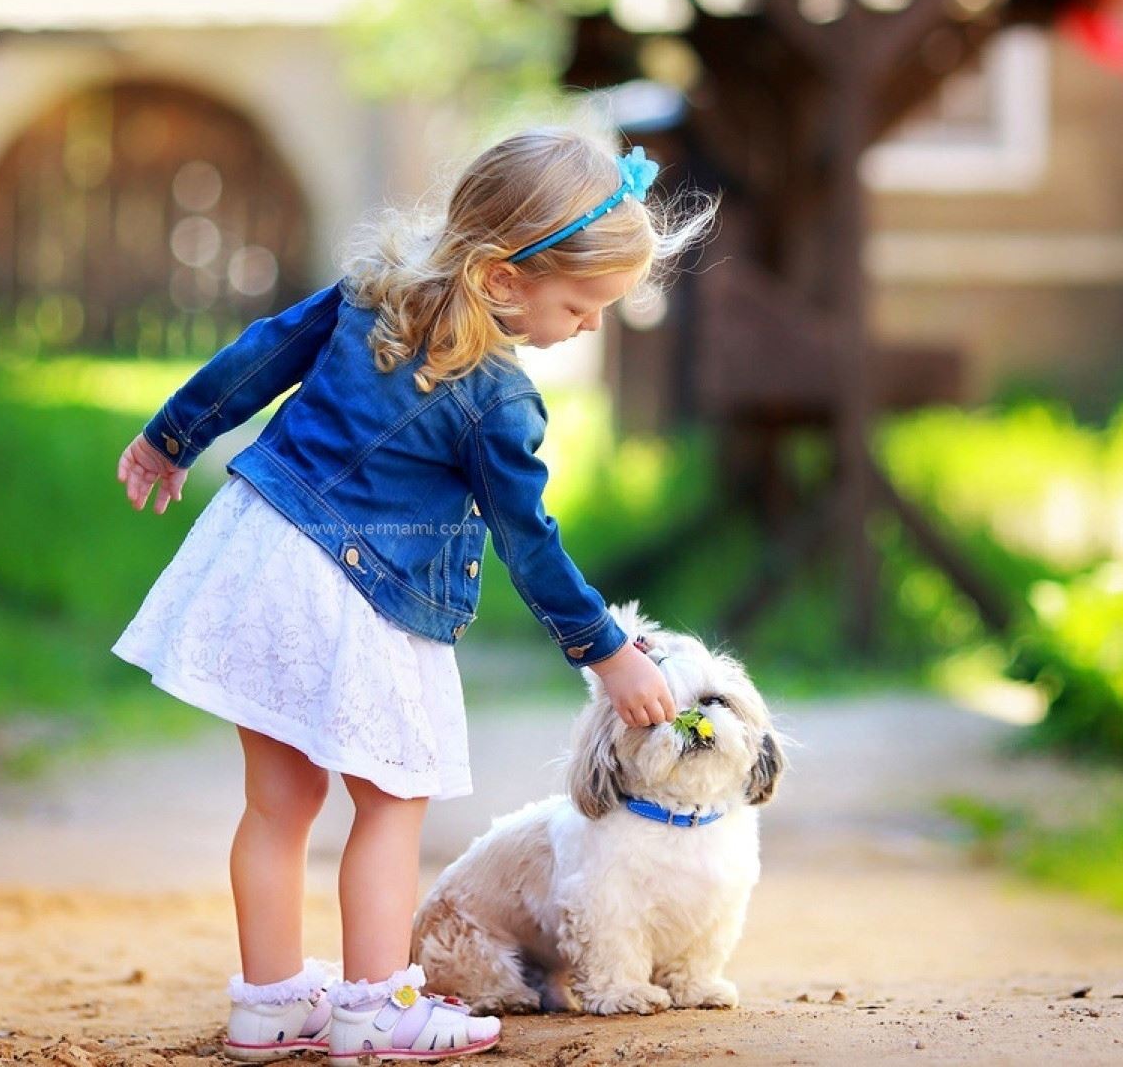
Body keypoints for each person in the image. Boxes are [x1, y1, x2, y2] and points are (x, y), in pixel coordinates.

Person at [111, 124, 714, 1064]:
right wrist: (607, 648)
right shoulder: (498, 401)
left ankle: (271, 1003)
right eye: (583, 304)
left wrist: (170, 436)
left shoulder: (369, 293)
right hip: (354, 596)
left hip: (257, 556)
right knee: (392, 803)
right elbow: (528, 543)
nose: (591, 325)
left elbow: (260, 355)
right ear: (507, 280)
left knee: (279, 802)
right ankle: (376, 1006)